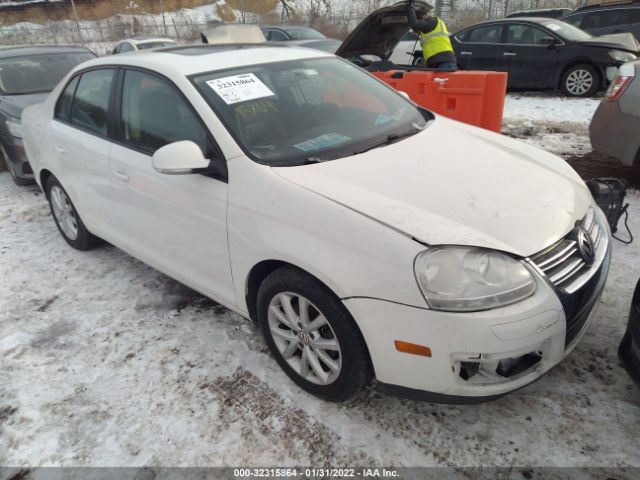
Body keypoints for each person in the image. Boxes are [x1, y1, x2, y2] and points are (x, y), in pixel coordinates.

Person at [406, 0, 457, 70]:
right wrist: (421, 54)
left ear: (421, 19)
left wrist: (410, 5)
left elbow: (415, 24)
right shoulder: (430, 28)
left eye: (417, 30)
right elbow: (435, 47)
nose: (417, 32)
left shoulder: (432, 22)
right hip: (440, 63)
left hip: (444, 63)